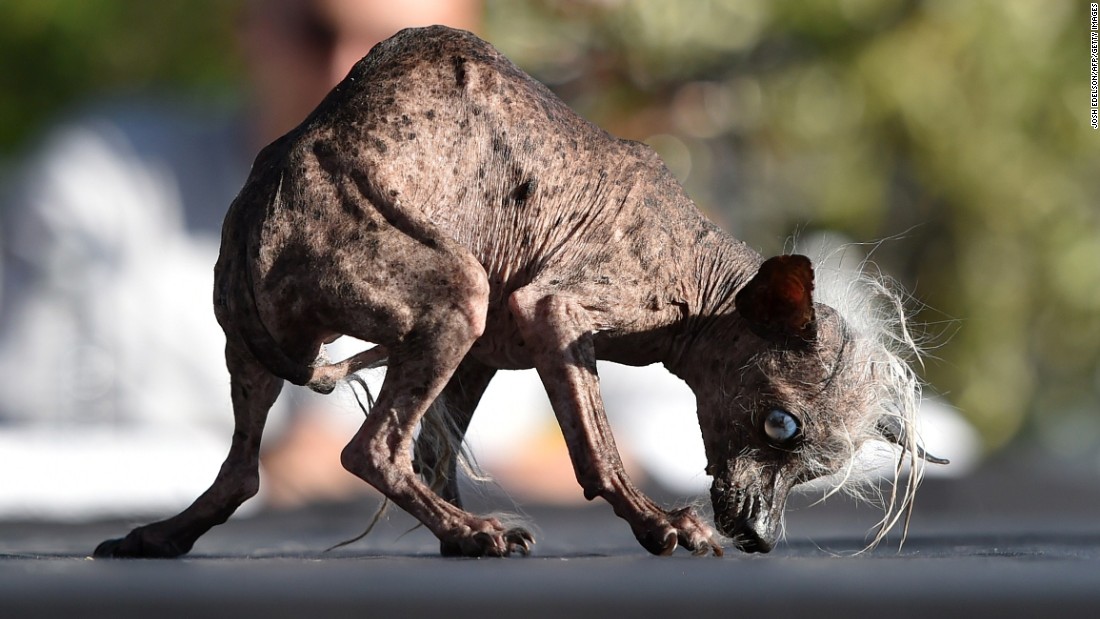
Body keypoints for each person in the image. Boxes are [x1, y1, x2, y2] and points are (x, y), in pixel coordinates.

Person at [0, 0, 481, 518]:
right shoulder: (103, 188)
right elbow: (20, 445)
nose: (348, 71)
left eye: (398, 53)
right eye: (316, 33)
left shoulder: (511, 223)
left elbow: (538, 459)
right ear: (251, 25)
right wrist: (265, 474)